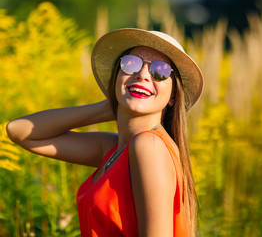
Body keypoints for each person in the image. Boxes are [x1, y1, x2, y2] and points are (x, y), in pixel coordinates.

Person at [6, 28, 203, 237]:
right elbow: (20, 131)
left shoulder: (149, 146)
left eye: (160, 71)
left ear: (173, 96)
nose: (142, 74)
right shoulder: (113, 148)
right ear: (116, 77)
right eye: (131, 63)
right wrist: (108, 106)